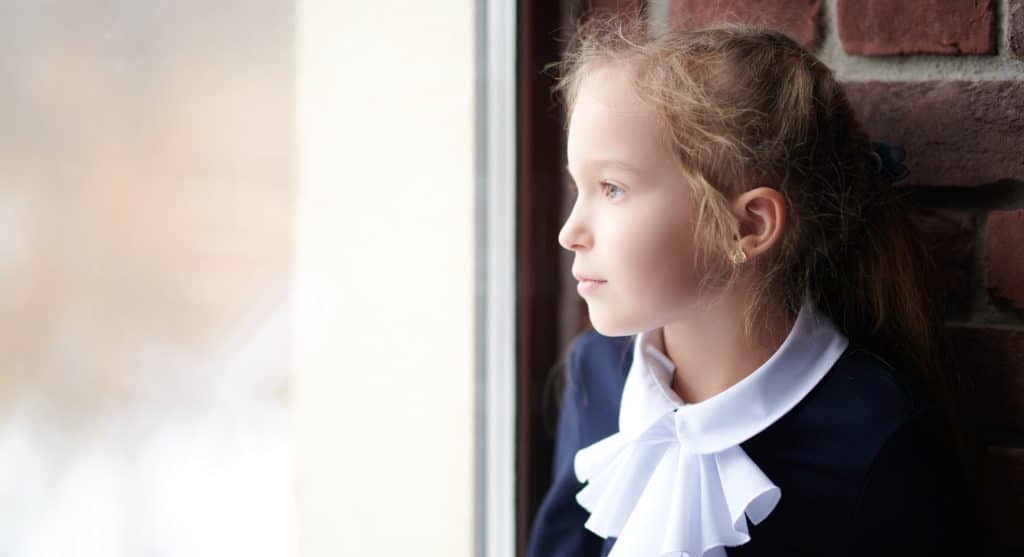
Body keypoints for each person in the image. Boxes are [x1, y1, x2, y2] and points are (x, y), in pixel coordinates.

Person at [526, 14, 979, 557]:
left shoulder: (876, 434)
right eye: (581, 186)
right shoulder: (594, 372)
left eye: (613, 188)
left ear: (749, 226)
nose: (569, 232)